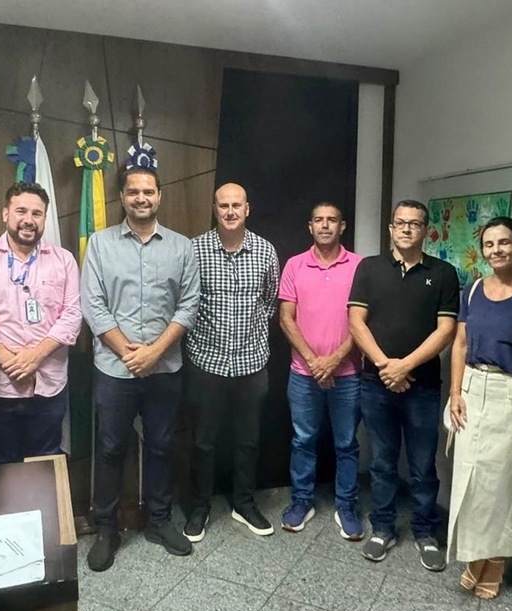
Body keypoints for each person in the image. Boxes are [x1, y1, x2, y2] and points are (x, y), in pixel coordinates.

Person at [80, 166, 200, 571]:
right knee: (111, 447)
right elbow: (93, 305)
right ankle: (108, 528)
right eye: (134, 192)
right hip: (114, 369)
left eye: (149, 191)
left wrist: (154, 352)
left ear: (160, 196)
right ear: (122, 197)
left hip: (164, 368)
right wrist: (129, 351)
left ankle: (160, 521)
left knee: (162, 445)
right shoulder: (99, 244)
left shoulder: (182, 247)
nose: (141, 198)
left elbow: (188, 305)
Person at [347, 199, 460, 569]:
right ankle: (382, 528)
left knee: (423, 465)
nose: (407, 229)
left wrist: (405, 366)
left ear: (426, 230)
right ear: (391, 228)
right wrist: (385, 366)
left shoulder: (443, 273)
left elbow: (446, 331)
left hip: (423, 386)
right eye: (400, 223)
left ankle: (426, 531)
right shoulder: (369, 268)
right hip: (375, 383)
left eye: (415, 223)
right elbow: (356, 322)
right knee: (381, 462)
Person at [447, 217, 512, 600]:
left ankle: (495, 560)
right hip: (471, 389)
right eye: (489, 244)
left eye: (504, 242)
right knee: (469, 482)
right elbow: (460, 344)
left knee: (504, 485)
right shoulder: (473, 290)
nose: (496, 250)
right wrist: (455, 392)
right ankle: (475, 554)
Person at [183, 183, 279, 541]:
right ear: (214, 209)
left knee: (248, 440)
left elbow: (270, 300)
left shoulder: (266, 251)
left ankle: (244, 503)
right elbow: (185, 302)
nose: (230, 211)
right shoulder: (194, 250)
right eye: (223, 205)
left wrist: (250, 335)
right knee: (203, 442)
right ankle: (199, 508)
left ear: (247, 209)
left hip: (251, 364)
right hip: (206, 362)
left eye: (236, 205)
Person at [0, 182, 82, 463]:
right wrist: (9, 360)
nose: (28, 220)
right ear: (5, 214)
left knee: (45, 463)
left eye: (37, 213)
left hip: (48, 383)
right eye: (21, 211)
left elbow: (72, 314)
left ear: (44, 218)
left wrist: (35, 357)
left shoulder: (64, 260)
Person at [277, 202, 364, 538]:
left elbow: (362, 322)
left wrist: (333, 361)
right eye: (319, 220)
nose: (325, 225)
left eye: (332, 220)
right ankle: (301, 501)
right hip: (303, 373)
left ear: (342, 226)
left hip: (348, 374)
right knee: (303, 440)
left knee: (346, 443)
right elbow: (286, 318)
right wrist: (314, 361)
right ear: (309, 226)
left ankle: (347, 506)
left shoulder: (359, 266)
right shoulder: (295, 265)